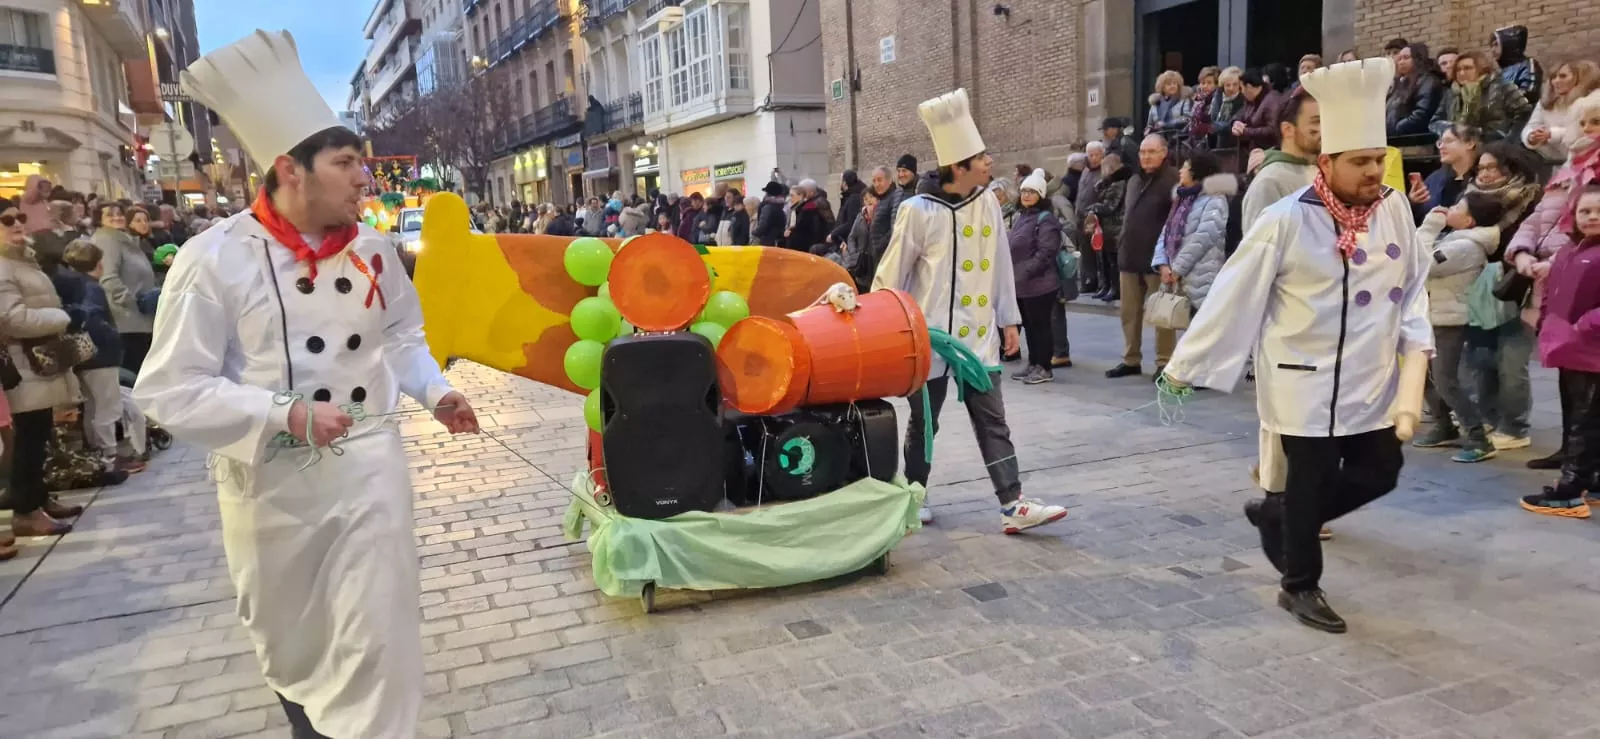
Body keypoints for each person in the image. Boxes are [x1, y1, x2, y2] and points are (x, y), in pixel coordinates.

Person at [132, 30, 480, 739]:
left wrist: (435, 391)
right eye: (348, 163)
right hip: (271, 496)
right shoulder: (213, 260)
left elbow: (403, 339)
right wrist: (283, 415)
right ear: (290, 170)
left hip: (368, 475)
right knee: (293, 651)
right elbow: (169, 388)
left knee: (377, 642)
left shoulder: (377, 253)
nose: (364, 180)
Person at [1163, 58, 1432, 634]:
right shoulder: (1285, 219)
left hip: (1371, 378)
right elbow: (1236, 293)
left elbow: (1413, 289)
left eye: (1376, 161)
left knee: (1381, 471)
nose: (1371, 173)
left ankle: (1279, 517)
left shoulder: (1394, 211)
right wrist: (1185, 365)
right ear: (1327, 161)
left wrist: (1417, 347)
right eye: (1359, 162)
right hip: (1303, 378)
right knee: (1309, 480)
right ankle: (1299, 584)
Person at [873, 88, 1068, 534]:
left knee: (993, 419)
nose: (988, 163)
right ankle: (915, 493)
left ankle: (1013, 502)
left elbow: (999, 264)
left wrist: (1008, 320)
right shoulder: (917, 211)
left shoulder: (986, 204)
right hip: (930, 339)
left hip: (978, 336)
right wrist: (887, 330)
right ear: (958, 166)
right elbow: (891, 276)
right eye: (980, 157)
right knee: (925, 422)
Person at [1518, 184, 1600, 518]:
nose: (1592, 217)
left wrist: (1585, 326)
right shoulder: (1569, 249)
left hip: (1591, 351)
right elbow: (1553, 290)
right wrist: (1547, 320)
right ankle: (1592, 479)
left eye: (1598, 211)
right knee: (1580, 417)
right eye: (1585, 211)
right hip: (1570, 349)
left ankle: (1568, 492)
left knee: (1584, 422)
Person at [1415, 192, 1506, 462]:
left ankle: (1479, 438)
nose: (1447, 208)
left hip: (1449, 321)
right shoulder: (1457, 239)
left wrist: (1430, 225)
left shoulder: (1465, 246)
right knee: (1422, 377)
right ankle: (1444, 426)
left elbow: (1420, 265)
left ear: (1469, 220)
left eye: (1457, 206)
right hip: (1433, 317)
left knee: (1446, 381)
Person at [1105, 134, 1178, 380]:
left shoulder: (1173, 180)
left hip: (1158, 260)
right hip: (1130, 255)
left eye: (1152, 152)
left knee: (1162, 314)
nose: (1146, 156)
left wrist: (1169, 258)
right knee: (1129, 312)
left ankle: (1164, 361)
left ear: (1164, 152)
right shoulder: (1134, 180)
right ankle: (1131, 359)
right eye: (1143, 152)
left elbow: (1176, 222)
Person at [1151, 150, 1233, 313]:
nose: (1180, 170)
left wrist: (1177, 269)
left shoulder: (1215, 199)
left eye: (1185, 167)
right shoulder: (1182, 198)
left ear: (1197, 172)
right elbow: (1166, 231)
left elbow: (1204, 237)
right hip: (1178, 279)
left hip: (1202, 279)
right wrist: (1162, 264)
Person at [1008, 170, 1063, 384]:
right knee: (1029, 326)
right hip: (1022, 284)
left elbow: (1046, 253)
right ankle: (1033, 362)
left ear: (1041, 194)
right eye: (1024, 191)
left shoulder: (1045, 219)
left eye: (1032, 191)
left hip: (1040, 284)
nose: (1027, 195)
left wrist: (1023, 272)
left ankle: (1044, 367)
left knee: (1041, 326)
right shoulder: (1023, 216)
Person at [91, 203, 158, 374]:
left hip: (138, 319)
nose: (117, 218)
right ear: (99, 220)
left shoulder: (123, 240)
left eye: (119, 214)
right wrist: (132, 302)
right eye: (110, 215)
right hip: (126, 320)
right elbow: (108, 277)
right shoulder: (107, 240)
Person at [1242, 90, 1321, 231]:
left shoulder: (1321, 172)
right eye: (1316, 122)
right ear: (1288, 129)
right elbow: (1259, 248)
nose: (1324, 129)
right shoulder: (1270, 182)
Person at [1522, 60, 1600, 168]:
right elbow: (1530, 126)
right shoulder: (1545, 102)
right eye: (1553, 77)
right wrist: (1531, 136)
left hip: (1584, 162)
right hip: (1557, 162)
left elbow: (1581, 132)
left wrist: (1551, 134)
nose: (1556, 81)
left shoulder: (1587, 102)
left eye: (1563, 76)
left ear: (1576, 78)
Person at [1491, 25, 1543, 106]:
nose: (1492, 50)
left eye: (1496, 44)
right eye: (1491, 46)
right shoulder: (1500, 72)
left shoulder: (1528, 64)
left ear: (1508, 44)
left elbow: (1530, 91)